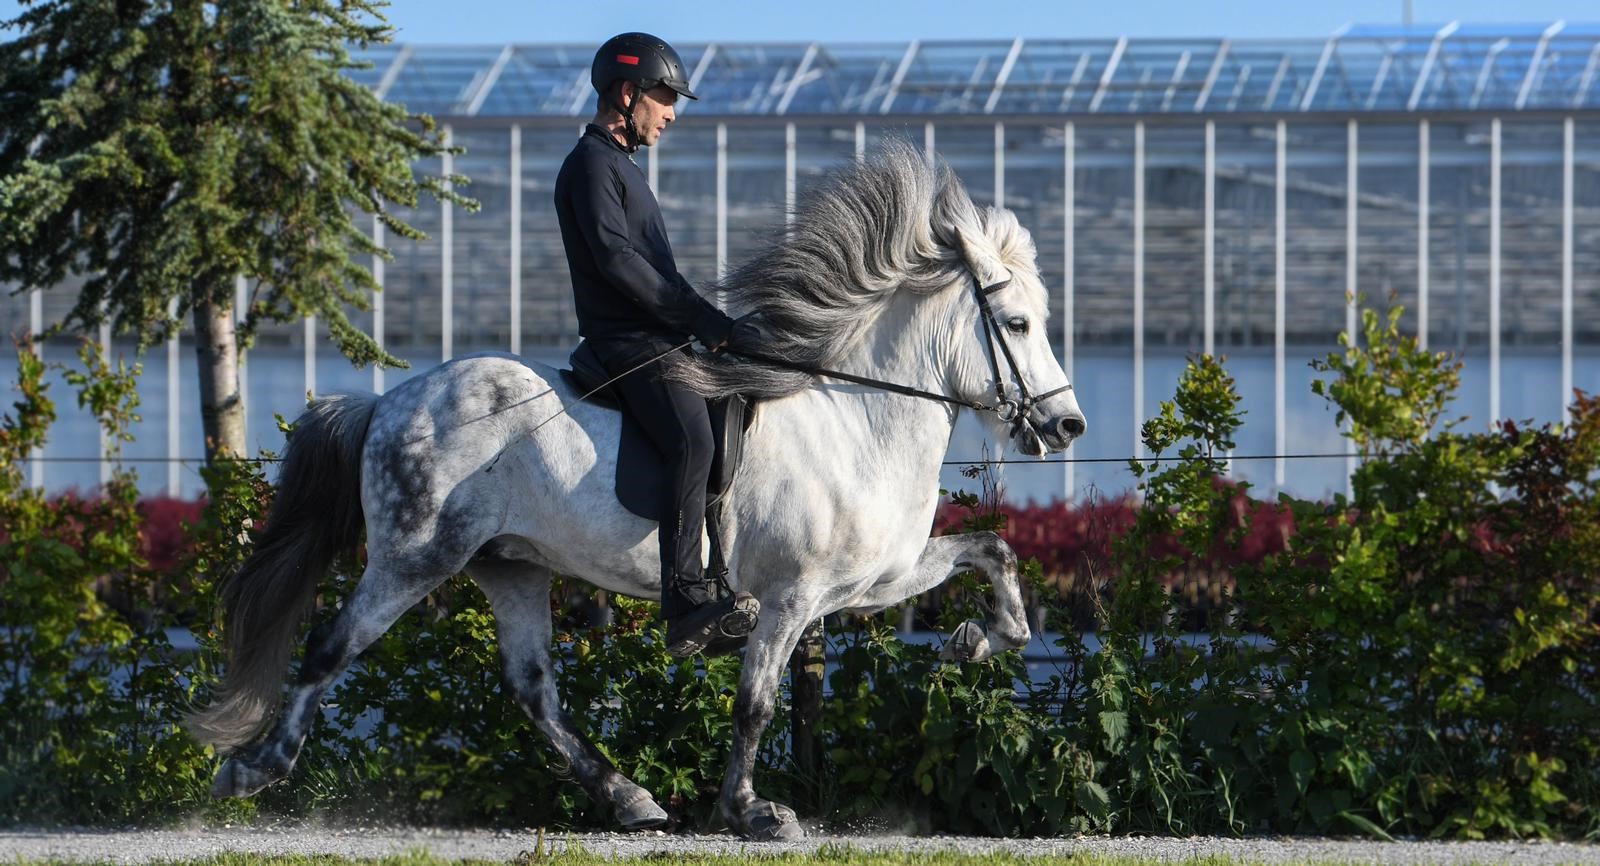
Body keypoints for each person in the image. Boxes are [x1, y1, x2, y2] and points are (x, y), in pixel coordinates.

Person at [554, 32, 760, 657]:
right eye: (665, 98)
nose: (672, 113)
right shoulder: (591, 165)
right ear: (627, 93)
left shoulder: (622, 167)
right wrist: (698, 318)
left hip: (658, 335)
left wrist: (713, 323)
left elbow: (661, 273)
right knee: (691, 438)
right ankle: (683, 600)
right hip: (626, 343)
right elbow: (619, 263)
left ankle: (725, 575)